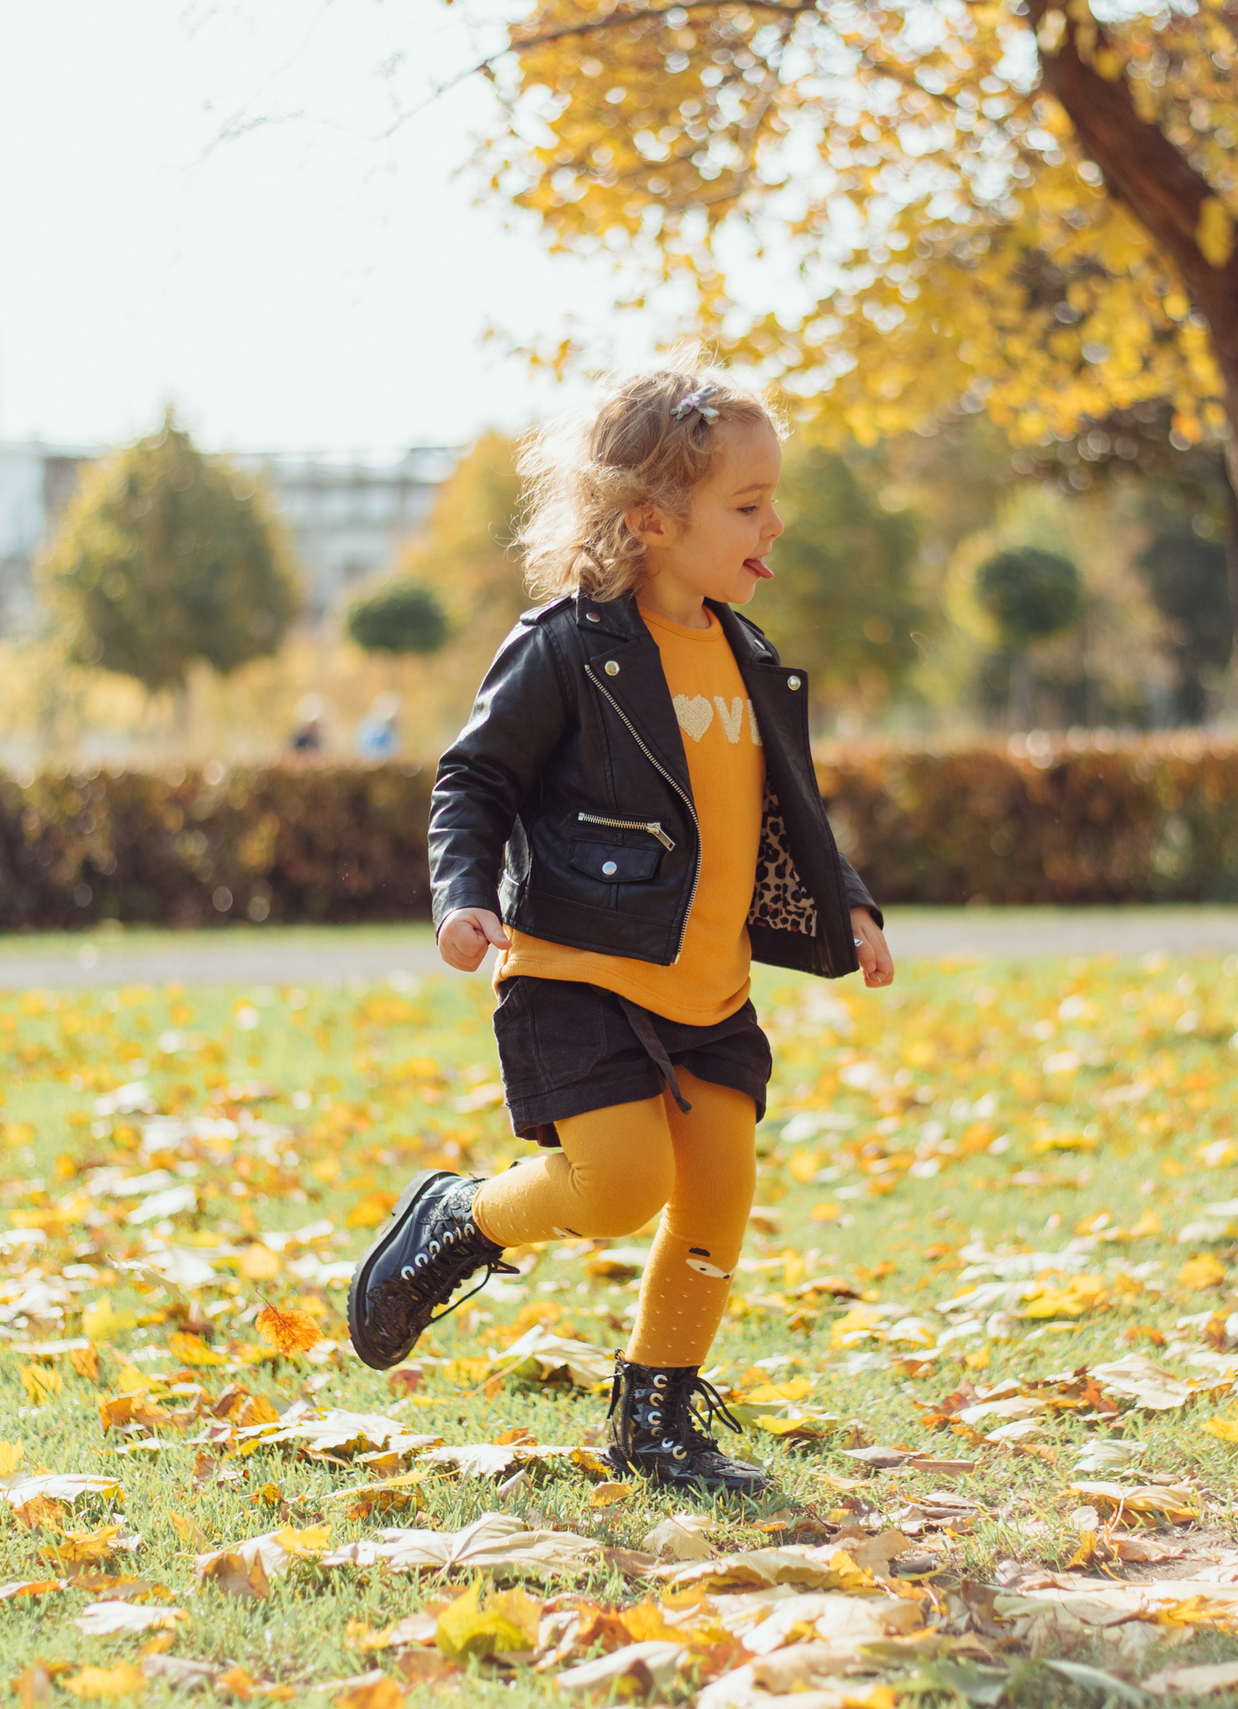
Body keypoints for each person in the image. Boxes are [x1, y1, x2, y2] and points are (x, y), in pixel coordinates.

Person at [348, 357, 895, 1496]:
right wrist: (461, 895)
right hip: (578, 970)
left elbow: (787, 805)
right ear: (650, 520)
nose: (773, 522)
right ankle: (463, 1215)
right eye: (747, 505)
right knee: (617, 1187)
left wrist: (847, 903)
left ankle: (655, 1417)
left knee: (717, 1195)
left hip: (709, 987)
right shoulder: (566, 647)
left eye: (770, 499)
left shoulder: (745, 655)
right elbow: (473, 780)